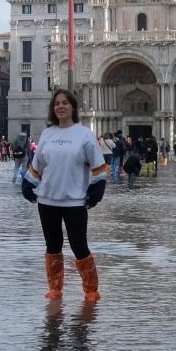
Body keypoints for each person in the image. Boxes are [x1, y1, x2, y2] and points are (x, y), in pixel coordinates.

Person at [24, 89, 107, 302]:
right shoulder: (47, 134)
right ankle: (55, 289)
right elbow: (38, 165)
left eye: (65, 103)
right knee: (53, 246)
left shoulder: (84, 134)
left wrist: (98, 188)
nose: (60, 107)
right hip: (47, 199)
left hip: (75, 201)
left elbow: (98, 167)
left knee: (79, 246)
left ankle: (91, 290)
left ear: (72, 107)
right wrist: (28, 182)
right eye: (56, 104)